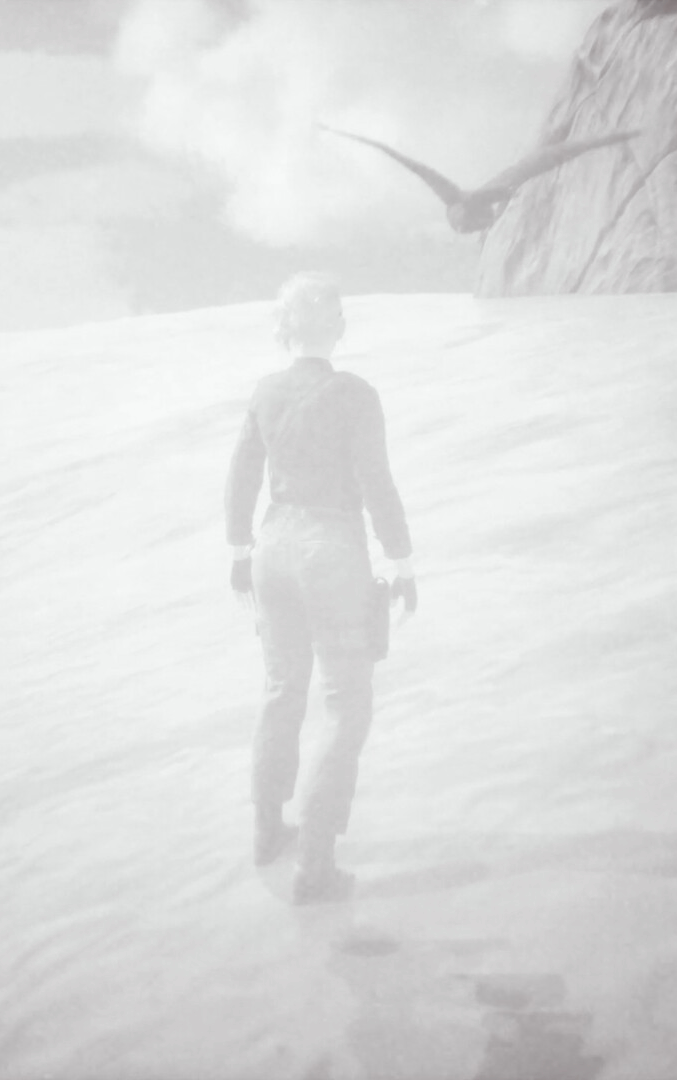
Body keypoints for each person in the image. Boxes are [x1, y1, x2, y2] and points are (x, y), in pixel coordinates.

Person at [224, 271, 418, 905]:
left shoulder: (265, 392)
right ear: (336, 327)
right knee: (345, 704)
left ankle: (266, 833)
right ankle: (315, 863)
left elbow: (241, 476)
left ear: (285, 329)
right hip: (330, 548)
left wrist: (238, 551)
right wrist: (402, 559)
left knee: (283, 690)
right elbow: (375, 479)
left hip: (272, 546)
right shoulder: (354, 394)